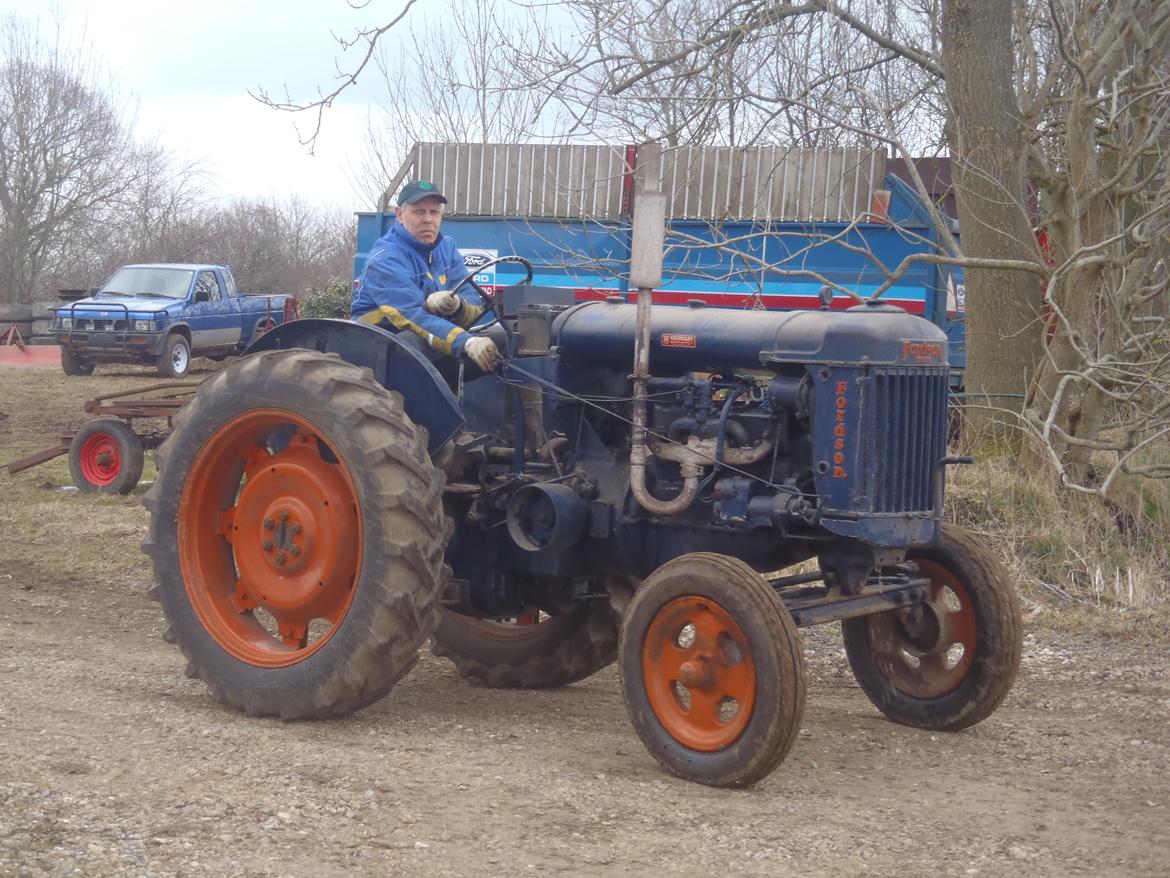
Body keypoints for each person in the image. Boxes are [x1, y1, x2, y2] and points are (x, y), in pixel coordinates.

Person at [351, 180, 501, 375]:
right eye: (419, 211)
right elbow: (410, 315)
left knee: (505, 340)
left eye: (434, 212)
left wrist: (458, 307)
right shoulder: (385, 258)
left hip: (430, 335)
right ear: (399, 215)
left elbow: (473, 300)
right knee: (410, 343)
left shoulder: (447, 248)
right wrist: (467, 342)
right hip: (377, 345)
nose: (428, 219)